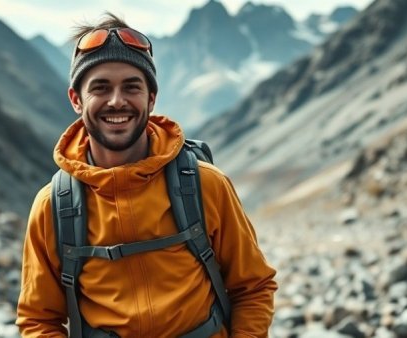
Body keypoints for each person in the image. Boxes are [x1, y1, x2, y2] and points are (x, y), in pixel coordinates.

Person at [16, 12, 277, 338]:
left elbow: (253, 287)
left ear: (151, 98)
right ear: (76, 100)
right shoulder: (53, 206)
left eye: (131, 86)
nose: (117, 101)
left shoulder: (204, 184)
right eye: (100, 87)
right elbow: (38, 320)